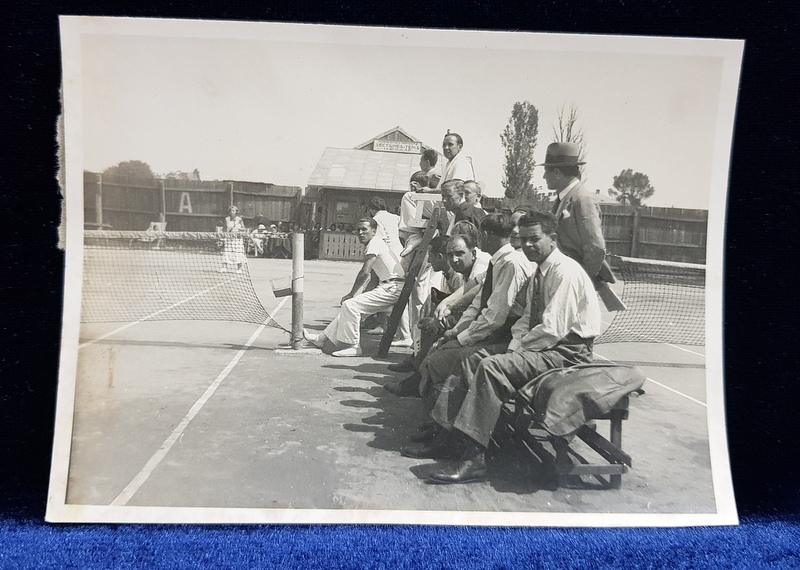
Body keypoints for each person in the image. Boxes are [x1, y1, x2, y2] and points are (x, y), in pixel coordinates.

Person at [416, 211, 602, 484]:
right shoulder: (541, 269)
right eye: (523, 239)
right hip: (545, 347)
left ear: (552, 238)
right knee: (471, 359)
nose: (527, 245)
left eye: (534, 239)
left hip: (567, 353)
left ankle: (474, 458)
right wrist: (515, 345)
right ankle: (448, 436)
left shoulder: (565, 272)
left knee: (491, 366)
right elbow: (527, 320)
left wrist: (514, 352)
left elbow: (552, 329)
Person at [407, 212, 533, 426]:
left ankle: (444, 430)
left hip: (507, 336)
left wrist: (461, 338)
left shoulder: (511, 263)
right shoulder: (498, 261)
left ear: (484, 235)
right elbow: (477, 303)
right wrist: (455, 333)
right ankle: (437, 423)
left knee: (441, 360)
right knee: (438, 352)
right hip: (494, 332)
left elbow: (494, 316)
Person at [384, 227, 491, 396]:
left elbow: (474, 307)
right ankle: (417, 367)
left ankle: (416, 379)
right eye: (450, 255)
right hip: (473, 319)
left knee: (436, 328)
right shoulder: (462, 271)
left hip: (483, 325)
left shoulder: (480, 269)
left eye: (459, 254)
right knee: (432, 320)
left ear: (473, 253)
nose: (454, 260)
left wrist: (446, 322)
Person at [303, 218, 411, 357]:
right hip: (389, 286)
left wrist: (351, 294)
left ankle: (353, 346)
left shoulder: (375, 242)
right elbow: (372, 276)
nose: (360, 232)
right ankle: (321, 339)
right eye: (358, 229)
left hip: (393, 287)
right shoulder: (376, 243)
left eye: (364, 229)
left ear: (374, 231)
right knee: (351, 309)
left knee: (350, 305)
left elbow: (364, 272)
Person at [537, 142, 615, 288]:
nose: (543, 176)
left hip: (574, 280)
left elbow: (595, 247)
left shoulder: (582, 199)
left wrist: (582, 280)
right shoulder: (565, 198)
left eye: (546, 171)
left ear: (557, 173)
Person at [219, 206, 246, 273]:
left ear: (236, 212)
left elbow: (244, 229)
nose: (232, 212)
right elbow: (224, 228)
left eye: (233, 211)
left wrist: (238, 229)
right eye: (231, 210)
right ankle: (224, 267)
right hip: (229, 238)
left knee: (238, 253)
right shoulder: (227, 219)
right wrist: (224, 234)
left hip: (237, 239)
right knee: (227, 252)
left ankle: (239, 268)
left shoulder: (239, 219)